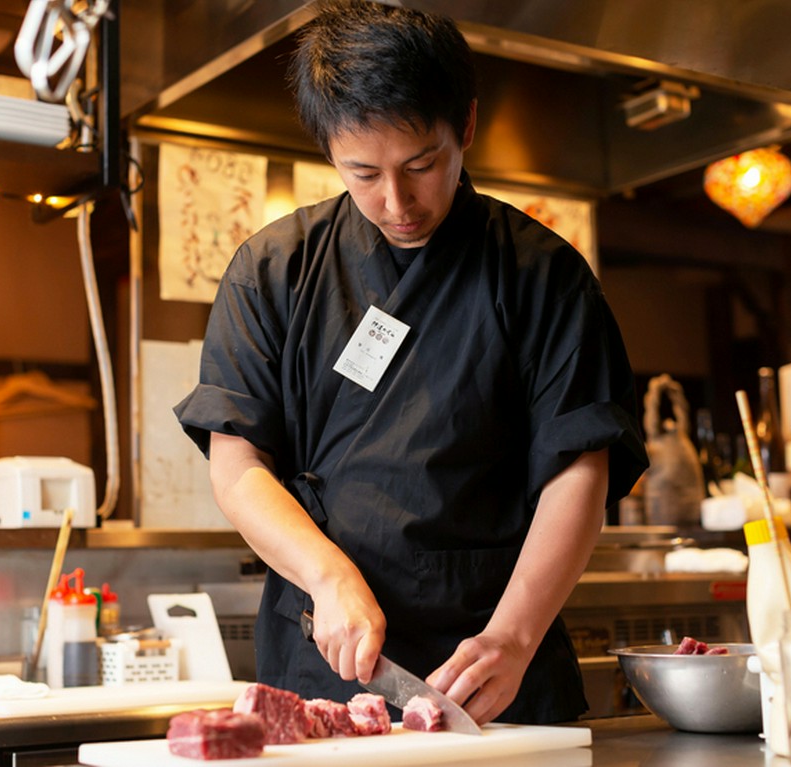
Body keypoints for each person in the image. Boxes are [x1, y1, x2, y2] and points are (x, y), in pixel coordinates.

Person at [175, 0, 648, 725]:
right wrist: (327, 575)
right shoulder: (273, 269)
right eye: (363, 172)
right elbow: (238, 466)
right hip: (326, 671)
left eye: (421, 165)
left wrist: (515, 635)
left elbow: (581, 467)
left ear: (465, 127)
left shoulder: (542, 275)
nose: (396, 201)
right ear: (328, 149)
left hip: (499, 675)